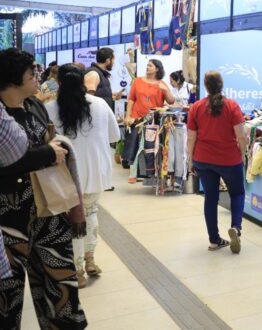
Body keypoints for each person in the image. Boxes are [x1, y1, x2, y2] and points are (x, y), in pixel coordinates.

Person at [0, 48, 86, 329]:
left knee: (60, 280)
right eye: (31, 73)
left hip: (49, 208)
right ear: (13, 79)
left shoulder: (33, 105)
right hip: (9, 215)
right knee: (8, 291)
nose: (38, 77)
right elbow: (10, 159)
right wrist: (47, 154)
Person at [46, 64, 121, 288]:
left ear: (58, 82)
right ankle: (89, 259)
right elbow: (114, 135)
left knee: (71, 219)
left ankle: (77, 269)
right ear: (83, 81)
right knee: (90, 212)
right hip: (96, 170)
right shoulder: (99, 104)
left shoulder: (50, 108)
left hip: (64, 175)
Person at [187, 71, 249, 253]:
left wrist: (191, 159)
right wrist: (242, 154)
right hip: (229, 159)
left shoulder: (196, 107)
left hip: (203, 159)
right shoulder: (232, 106)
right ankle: (236, 228)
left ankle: (214, 240)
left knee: (211, 198)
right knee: (237, 194)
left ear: (205, 87)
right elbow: (242, 135)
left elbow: (191, 137)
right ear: (222, 85)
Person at [122, 59, 175, 179]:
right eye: (147, 65)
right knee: (134, 145)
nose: (147, 67)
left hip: (153, 121)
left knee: (149, 147)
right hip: (137, 119)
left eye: (150, 65)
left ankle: (148, 172)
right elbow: (131, 99)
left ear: (157, 69)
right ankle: (134, 172)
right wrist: (128, 116)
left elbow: (171, 101)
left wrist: (165, 90)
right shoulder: (137, 81)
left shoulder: (161, 84)